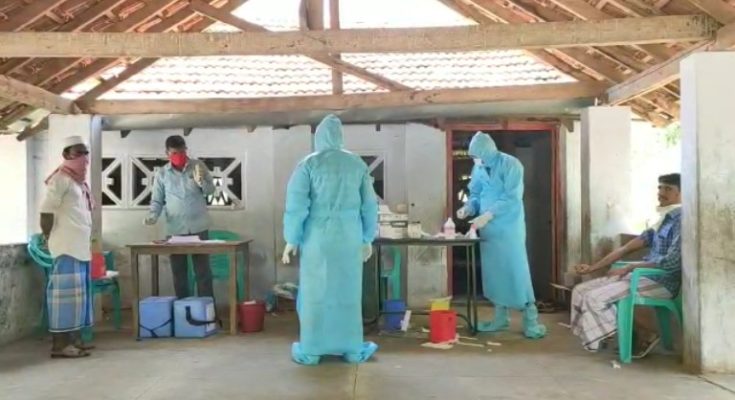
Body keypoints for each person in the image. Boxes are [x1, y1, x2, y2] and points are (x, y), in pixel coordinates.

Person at [282, 114, 379, 365]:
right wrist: (367, 237)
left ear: (318, 137)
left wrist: (291, 239)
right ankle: (351, 348)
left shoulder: (308, 164)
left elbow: (296, 205)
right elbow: (369, 205)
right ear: (340, 136)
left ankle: (313, 349)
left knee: (316, 293)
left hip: (318, 238)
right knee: (347, 292)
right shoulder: (356, 164)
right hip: (349, 236)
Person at [570, 173, 681, 358]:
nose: (661, 193)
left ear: (682, 194)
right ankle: (618, 333)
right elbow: (625, 249)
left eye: (668, 189)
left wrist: (631, 267)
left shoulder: (681, 221)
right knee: (581, 291)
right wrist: (592, 267)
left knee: (595, 298)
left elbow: (672, 262)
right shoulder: (661, 222)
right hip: (642, 275)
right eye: (660, 188)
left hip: (663, 281)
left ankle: (644, 333)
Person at [456, 131, 546, 339]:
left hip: (509, 227)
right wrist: (469, 208)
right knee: (494, 273)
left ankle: (531, 320)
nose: (475, 160)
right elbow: (476, 194)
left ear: (487, 151)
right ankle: (500, 318)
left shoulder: (511, 165)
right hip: (488, 230)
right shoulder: (478, 168)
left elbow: (512, 197)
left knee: (515, 270)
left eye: (477, 155)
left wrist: (489, 214)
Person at [40, 135, 95, 358]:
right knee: (63, 299)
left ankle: (74, 341)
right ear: (66, 155)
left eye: (85, 153)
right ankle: (60, 345)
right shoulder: (60, 179)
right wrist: (46, 237)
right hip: (65, 248)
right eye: (77, 153)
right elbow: (46, 212)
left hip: (79, 248)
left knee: (78, 299)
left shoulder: (79, 182)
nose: (83, 157)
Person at [144, 135, 216, 299]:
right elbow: (157, 200)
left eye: (182, 152)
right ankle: (183, 309)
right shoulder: (162, 174)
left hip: (199, 227)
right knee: (179, 273)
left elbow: (211, 191)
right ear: (167, 153)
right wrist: (153, 216)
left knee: (203, 272)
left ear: (186, 150)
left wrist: (201, 182)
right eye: (175, 153)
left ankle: (207, 309)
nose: (179, 156)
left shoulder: (198, 166)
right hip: (175, 230)